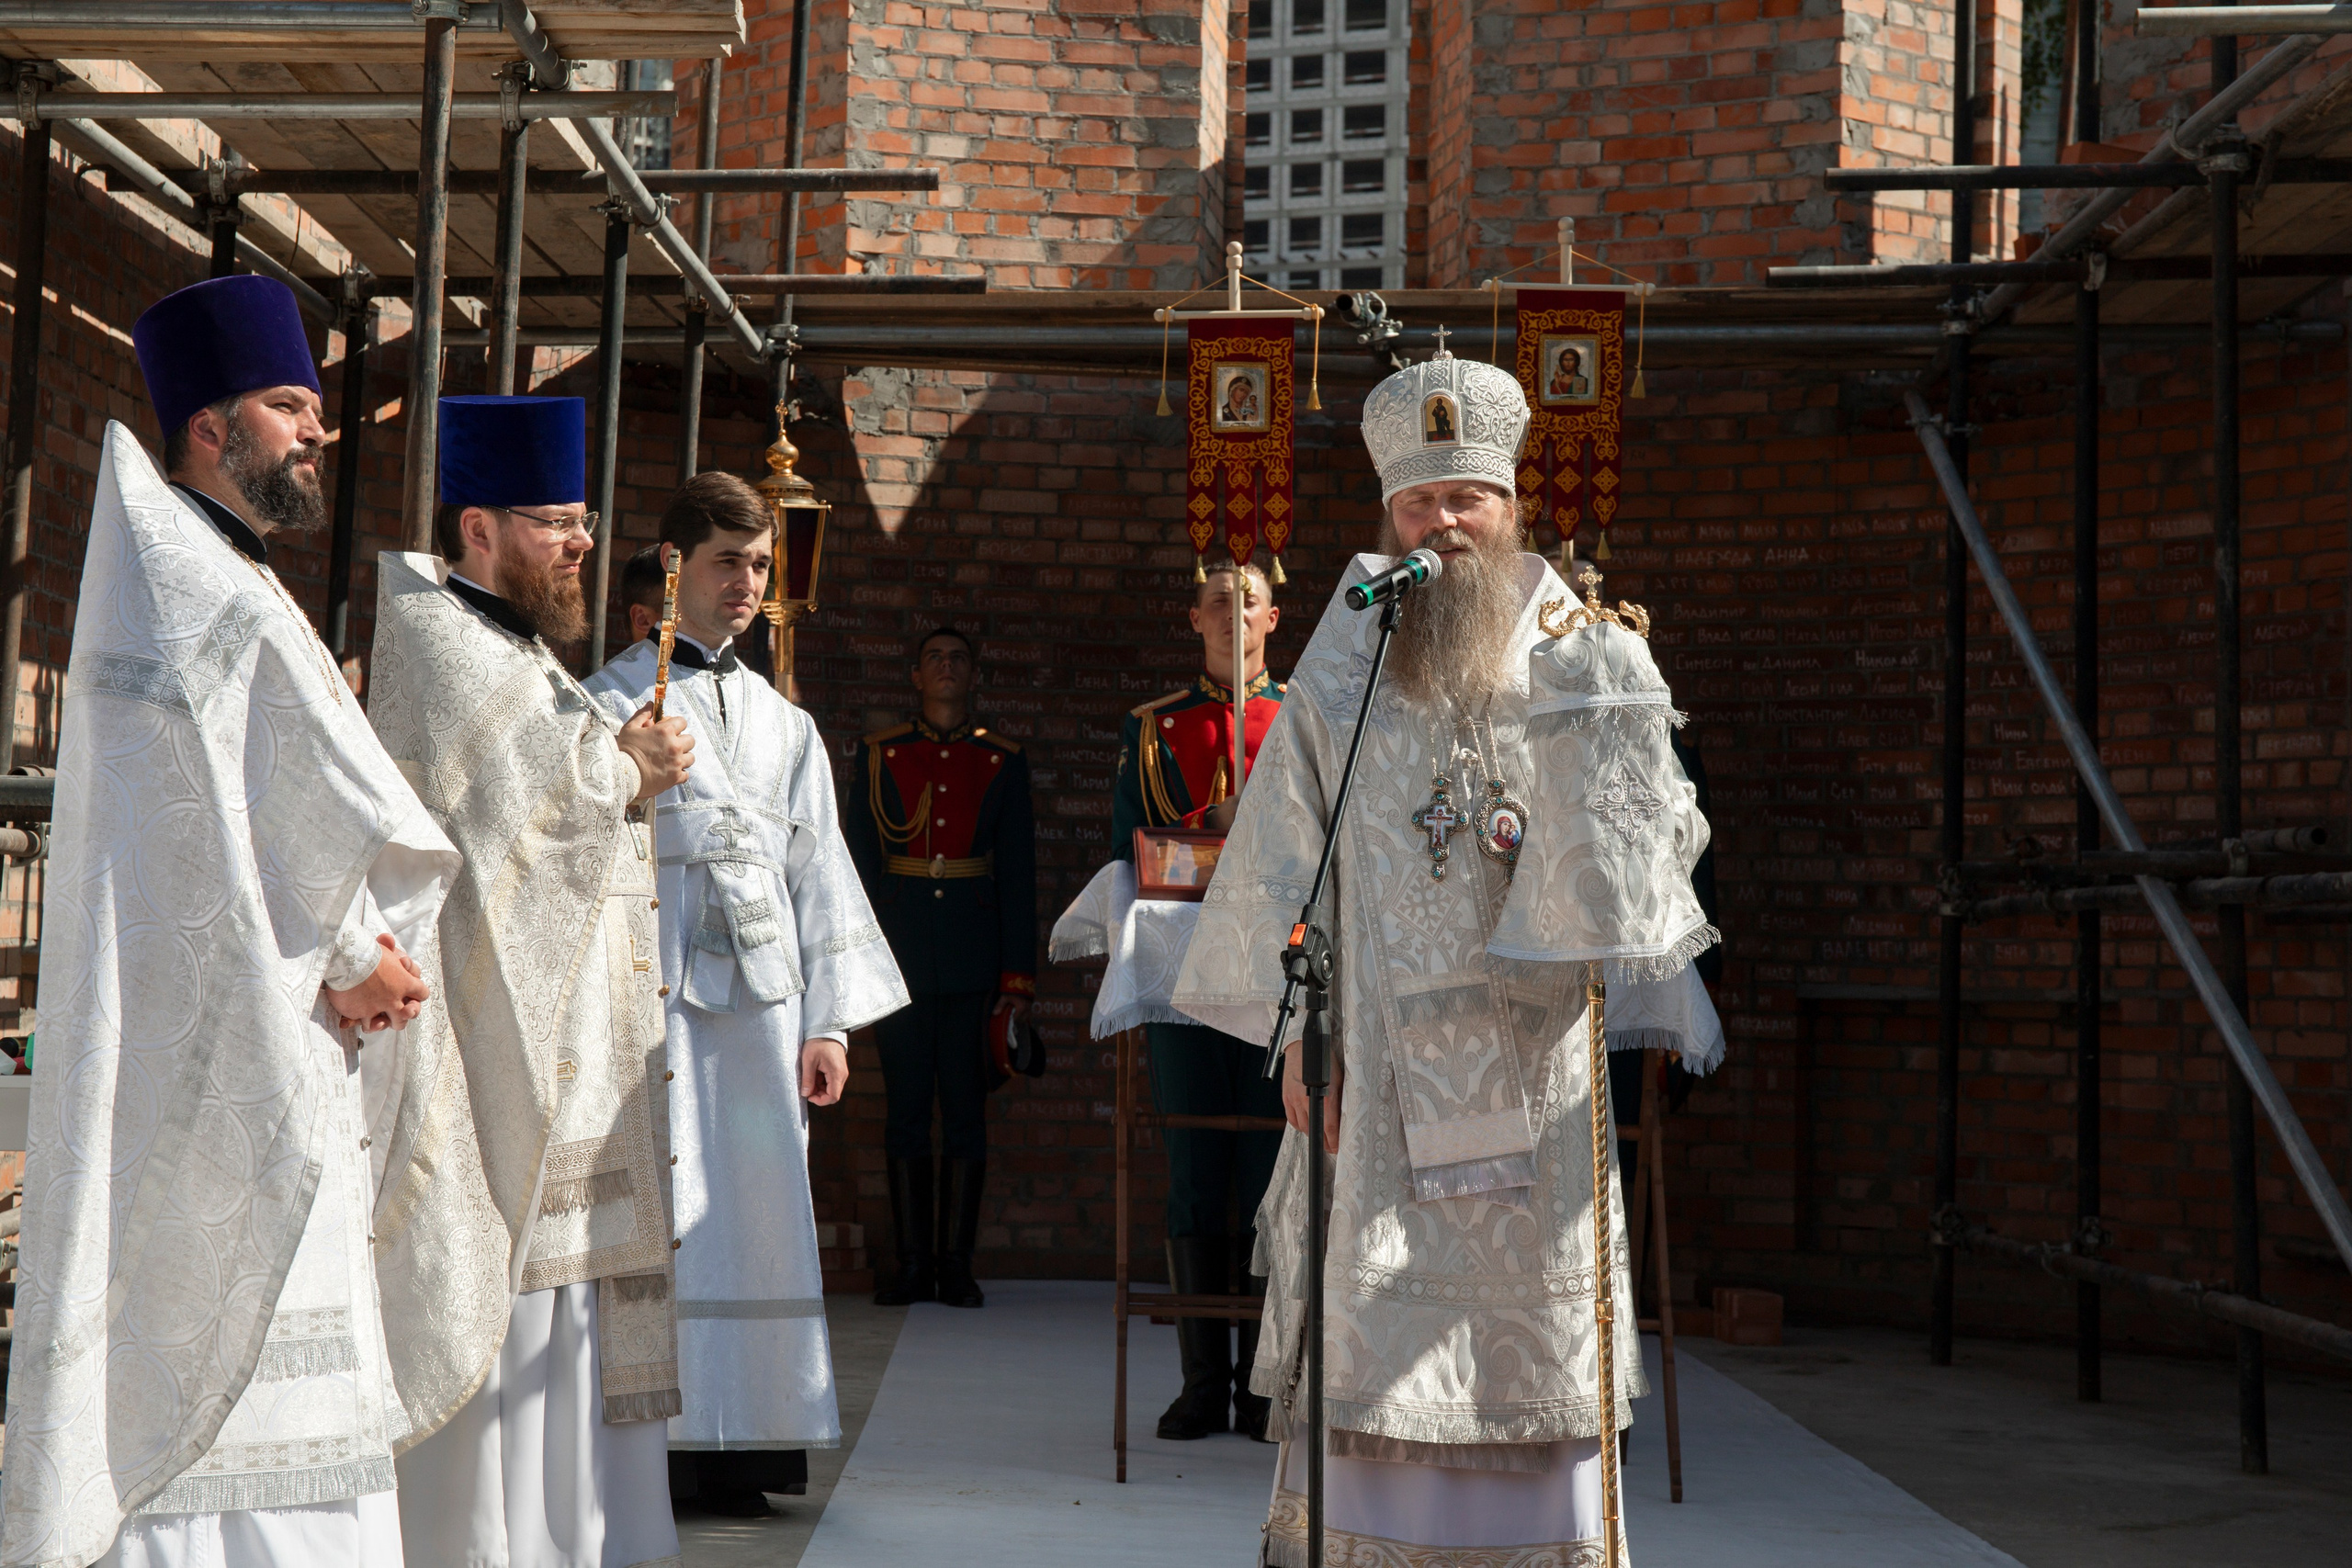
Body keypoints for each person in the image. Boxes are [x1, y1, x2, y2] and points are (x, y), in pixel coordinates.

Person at [1172, 344, 1719, 1566]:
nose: (1444, 522)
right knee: (1375, 1312)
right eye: (1419, 500)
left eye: (1466, 496)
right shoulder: (1346, 657)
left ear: (1510, 503)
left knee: (1525, 1327)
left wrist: (1613, 712)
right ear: (1390, 512)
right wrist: (1294, 1045)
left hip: (1534, 1060)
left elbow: (1651, 846)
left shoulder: (1582, 640)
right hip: (1371, 1056)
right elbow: (1281, 853)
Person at [0, 275, 450, 1568]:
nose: (315, 431)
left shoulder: (217, 568)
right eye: (290, 405)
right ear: (213, 426)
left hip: (286, 1035)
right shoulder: (189, 579)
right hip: (234, 1046)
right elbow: (207, 826)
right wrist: (359, 952)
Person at [367, 395, 696, 1568]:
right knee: (494, 1321)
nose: (580, 543)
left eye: (584, 517)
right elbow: (511, 827)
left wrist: (615, 767)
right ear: (477, 528)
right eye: (555, 520)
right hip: (475, 1062)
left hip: (562, 1062)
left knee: (558, 1332)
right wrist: (621, 773)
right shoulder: (438, 644)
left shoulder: (515, 647)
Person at [585, 472, 909, 1517]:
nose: (749, 583)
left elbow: (820, 875)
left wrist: (830, 1026)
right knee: (669, 1214)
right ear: (674, 569)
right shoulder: (605, 701)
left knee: (756, 1214)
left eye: (761, 565)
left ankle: (752, 1444)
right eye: (730, 561)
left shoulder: (785, 724)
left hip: (765, 1017)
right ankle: (660, 1446)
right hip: (658, 1001)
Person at [1109, 559, 1289, 1442]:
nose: (1231, 614)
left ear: (1273, 619)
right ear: (1194, 618)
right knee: (1192, 1175)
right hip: (1185, 981)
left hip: (1277, 984)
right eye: (1217, 602)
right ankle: (1198, 1382)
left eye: (1246, 602)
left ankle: (1259, 1385)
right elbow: (1125, 854)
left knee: (1264, 1177)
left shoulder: (1303, 722)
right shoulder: (1153, 730)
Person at [842, 626, 1036, 1309]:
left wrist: (1016, 981)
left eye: (959, 657)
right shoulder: (878, 755)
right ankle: (910, 1262)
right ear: (916, 676)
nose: (947, 668)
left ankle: (955, 1264)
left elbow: (1017, 874)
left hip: (970, 956)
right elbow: (859, 870)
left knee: (963, 1115)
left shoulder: (1002, 760)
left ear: (973, 674)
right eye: (935, 659)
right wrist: (852, 960)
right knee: (903, 1114)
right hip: (897, 956)